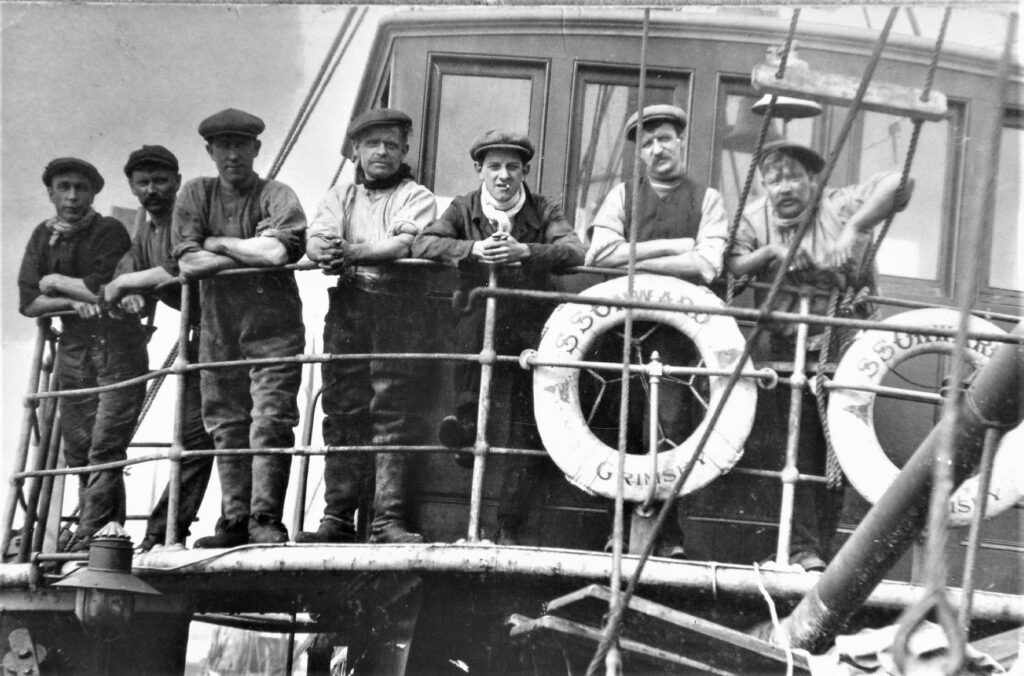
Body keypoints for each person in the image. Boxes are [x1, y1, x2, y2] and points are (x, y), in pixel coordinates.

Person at [728, 139, 914, 571]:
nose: (784, 188)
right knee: (788, 447)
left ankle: (818, 552)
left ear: (814, 180)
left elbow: (902, 182)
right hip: (780, 345)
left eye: (793, 177)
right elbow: (732, 264)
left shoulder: (839, 205)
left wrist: (854, 228)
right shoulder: (754, 218)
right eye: (774, 180)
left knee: (837, 450)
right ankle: (799, 549)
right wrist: (772, 252)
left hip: (839, 341)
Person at [412, 130, 585, 545]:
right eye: (494, 167)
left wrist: (527, 252)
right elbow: (423, 243)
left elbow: (575, 250)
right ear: (480, 170)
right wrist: (472, 250)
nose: (503, 176)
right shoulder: (464, 207)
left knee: (529, 423)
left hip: (532, 324)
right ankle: (466, 425)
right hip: (480, 321)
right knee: (474, 325)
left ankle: (510, 525)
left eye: (512, 167)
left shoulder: (544, 209)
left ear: (525, 171)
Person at [585, 104, 730, 557]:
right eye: (647, 143)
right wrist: (674, 247)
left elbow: (707, 264)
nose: (656, 149)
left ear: (681, 141)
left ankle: (667, 538)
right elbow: (598, 255)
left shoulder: (708, 199)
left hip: (678, 338)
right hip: (622, 332)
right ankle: (618, 533)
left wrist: (635, 258)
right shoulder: (623, 196)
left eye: (664, 138)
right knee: (621, 429)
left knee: (669, 429)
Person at [298, 108, 437, 545]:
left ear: (404, 151)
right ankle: (337, 519)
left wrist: (349, 252)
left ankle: (386, 522)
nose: (382, 152)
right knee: (342, 410)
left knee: (394, 411)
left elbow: (402, 244)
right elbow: (318, 237)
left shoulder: (417, 196)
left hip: (399, 309)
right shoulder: (339, 196)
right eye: (372, 143)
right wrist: (322, 249)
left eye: (391, 144)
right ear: (355, 150)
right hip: (350, 307)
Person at [172, 108, 307, 547]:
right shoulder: (196, 194)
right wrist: (248, 248)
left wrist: (217, 243)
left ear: (256, 148)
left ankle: (264, 520)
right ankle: (233, 523)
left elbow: (276, 254)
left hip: (274, 328)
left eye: (241, 145)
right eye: (224, 146)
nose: (233, 154)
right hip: (218, 329)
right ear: (210, 151)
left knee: (269, 421)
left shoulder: (277, 195)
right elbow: (188, 263)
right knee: (226, 424)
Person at [18, 157, 149, 552]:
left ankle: (90, 534)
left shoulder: (109, 230)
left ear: (93, 194)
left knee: (106, 446)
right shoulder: (44, 236)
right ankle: (107, 533)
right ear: (51, 193)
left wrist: (56, 281)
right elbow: (29, 302)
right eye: (64, 187)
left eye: (81, 188)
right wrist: (72, 301)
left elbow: (103, 288)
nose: (73, 196)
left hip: (118, 347)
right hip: (73, 351)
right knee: (78, 450)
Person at [104, 145, 215, 551]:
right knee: (193, 438)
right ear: (132, 187)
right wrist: (131, 288)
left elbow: (179, 265)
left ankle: (236, 524)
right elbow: (129, 266)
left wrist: (127, 284)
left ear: (177, 182)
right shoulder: (147, 231)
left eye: (161, 181)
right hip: (203, 336)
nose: (153, 190)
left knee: (226, 434)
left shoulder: (189, 216)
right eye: (144, 183)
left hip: (234, 330)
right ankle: (161, 534)